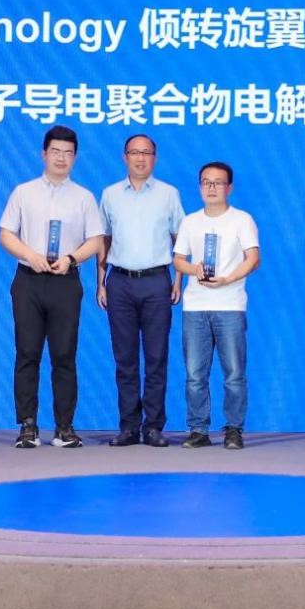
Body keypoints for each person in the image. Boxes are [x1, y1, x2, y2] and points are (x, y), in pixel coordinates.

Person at [0, 124, 105, 449]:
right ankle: (28, 425)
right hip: (28, 281)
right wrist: (30, 255)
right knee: (27, 352)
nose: (61, 158)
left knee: (64, 354)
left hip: (65, 282)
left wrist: (71, 258)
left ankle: (64, 427)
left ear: (75, 157)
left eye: (68, 153)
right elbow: (5, 233)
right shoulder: (23, 192)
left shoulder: (84, 197)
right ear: (43, 154)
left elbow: (96, 240)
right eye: (55, 151)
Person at [96, 134, 185, 447]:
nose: (140, 158)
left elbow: (181, 239)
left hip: (156, 281)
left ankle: (154, 427)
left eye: (146, 153)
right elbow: (103, 240)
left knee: (157, 357)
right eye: (134, 152)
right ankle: (129, 427)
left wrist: (178, 280)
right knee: (125, 358)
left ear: (154, 158)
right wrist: (100, 282)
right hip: (119, 282)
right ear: (124, 157)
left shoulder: (168, 194)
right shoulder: (109, 194)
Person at [173, 161, 260, 450]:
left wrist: (228, 279)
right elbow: (178, 260)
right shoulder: (190, 222)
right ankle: (198, 429)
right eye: (206, 182)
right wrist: (193, 269)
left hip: (230, 305)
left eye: (218, 183)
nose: (211, 188)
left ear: (229, 188)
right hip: (195, 306)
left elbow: (253, 258)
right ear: (200, 186)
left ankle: (233, 429)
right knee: (194, 375)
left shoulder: (242, 220)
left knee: (234, 373)